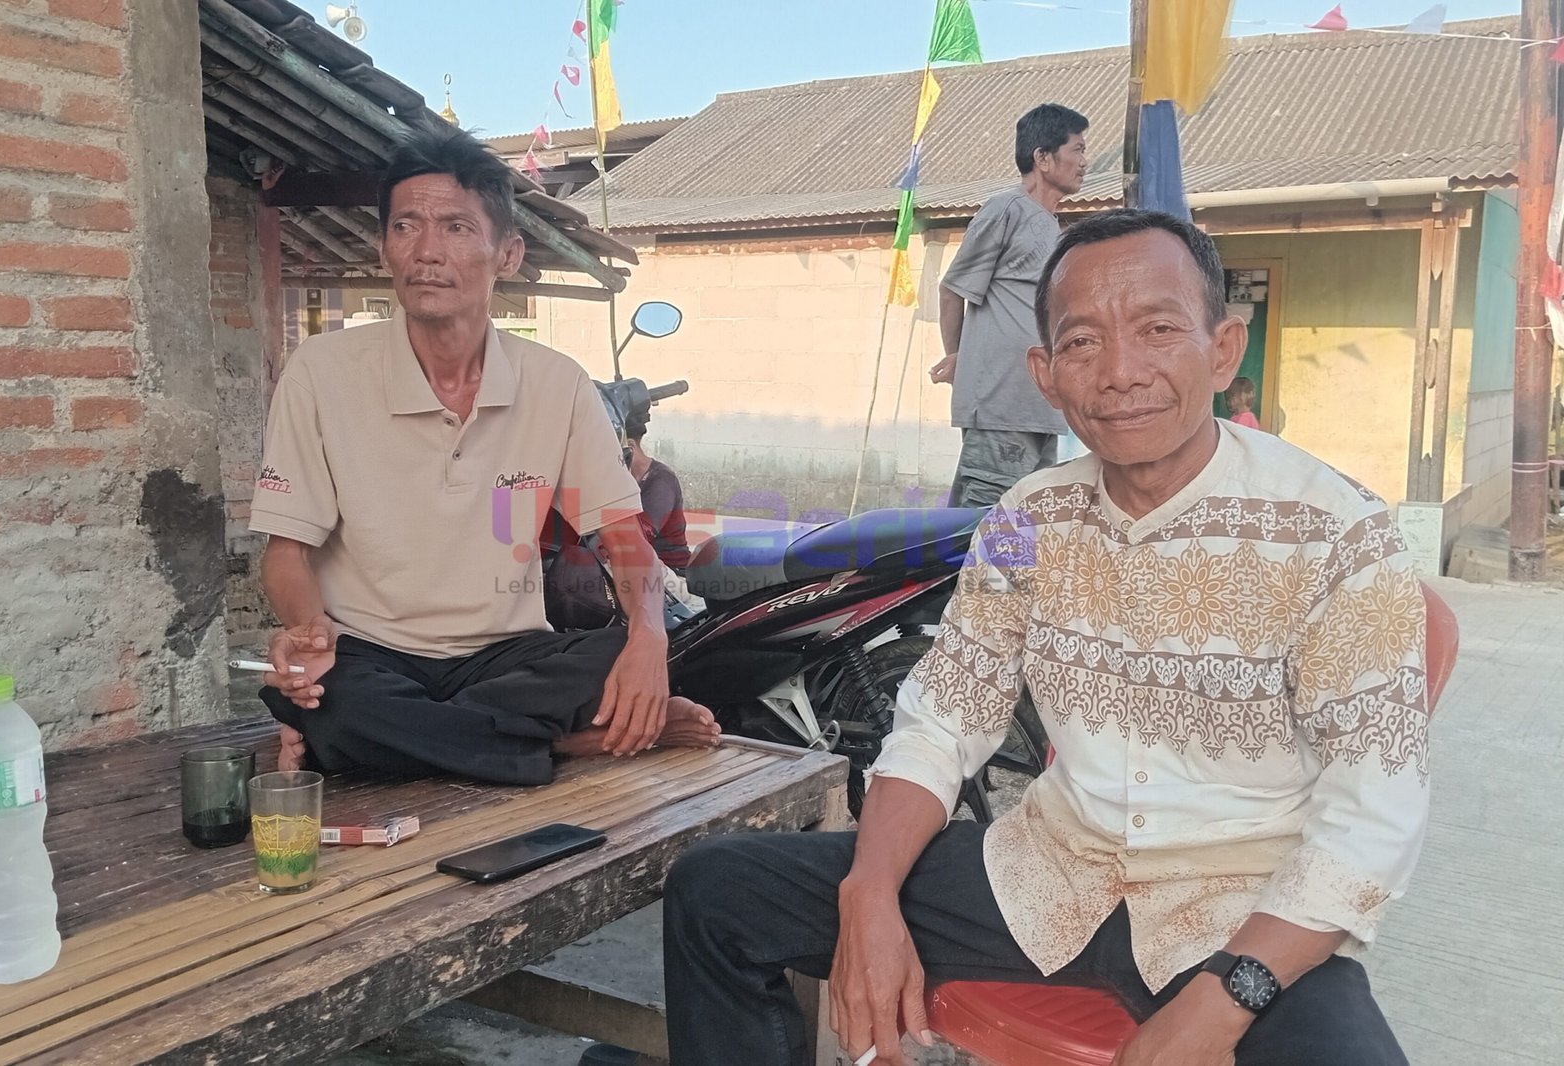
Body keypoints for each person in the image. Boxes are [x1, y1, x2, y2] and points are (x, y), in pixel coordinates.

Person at [662, 211, 1429, 1066]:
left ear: (1223, 350)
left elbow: (1374, 809)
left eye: (1158, 329)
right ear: (1046, 374)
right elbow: (942, 721)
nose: (1121, 372)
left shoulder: (1336, 530)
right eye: (1083, 342)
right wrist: (868, 894)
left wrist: (1226, 999)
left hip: (1241, 908)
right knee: (715, 891)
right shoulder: (1028, 520)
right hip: (1044, 873)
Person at [250, 123, 719, 784]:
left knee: (615, 652)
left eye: (457, 228)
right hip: (371, 652)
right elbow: (286, 553)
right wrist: (309, 629)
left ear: (507, 254)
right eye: (406, 226)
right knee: (337, 698)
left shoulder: (557, 384)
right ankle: (562, 744)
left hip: (508, 655)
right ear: (384, 248)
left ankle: (402, 740)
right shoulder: (321, 373)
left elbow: (623, 536)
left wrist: (648, 638)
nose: (427, 251)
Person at [930, 103, 1089, 507]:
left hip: (1040, 406)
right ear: (1043, 158)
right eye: (1077, 150)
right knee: (984, 523)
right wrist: (958, 356)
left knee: (1025, 523)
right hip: (1001, 405)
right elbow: (952, 289)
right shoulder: (1006, 209)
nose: (1084, 162)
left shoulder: (1052, 226)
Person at [625, 416, 691, 572]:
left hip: (671, 569)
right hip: (642, 565)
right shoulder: (625, 479)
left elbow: (639, 537)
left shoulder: (661, 480)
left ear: (630, 447)